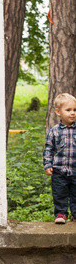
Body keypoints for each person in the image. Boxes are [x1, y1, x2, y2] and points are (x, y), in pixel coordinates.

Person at [43, 93, 76, 224]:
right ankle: (61, 214)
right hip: (59, 171)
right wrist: (47, 165)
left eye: (75, 110)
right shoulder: (54, 132)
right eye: (68, 110)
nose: (72, 113)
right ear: (58, 112)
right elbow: (48, 150)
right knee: (59, 193)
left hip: (75, 169)